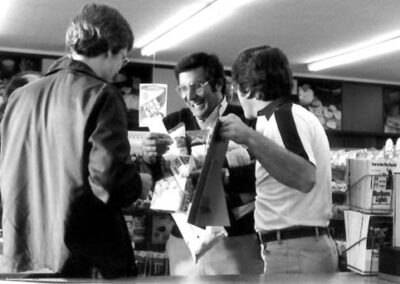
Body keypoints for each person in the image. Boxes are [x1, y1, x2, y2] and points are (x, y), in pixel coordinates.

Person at [0, 3, 152, 278]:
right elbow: (109, 181)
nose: (120, 69)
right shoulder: (102, 95)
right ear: (111, 50)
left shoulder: (19, 98)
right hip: (83, 260)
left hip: (22, 259)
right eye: (123, 59)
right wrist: (138, 183)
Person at [218, 45, 338, 274]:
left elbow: (304, 176)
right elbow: (278, 172)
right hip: (294, 248)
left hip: (295, 250)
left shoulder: (284, 116)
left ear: (248, 88)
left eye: (236, 87)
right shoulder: (275, 119)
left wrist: (248, 136)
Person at [143, 52, 263, 275]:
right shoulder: (170, 125)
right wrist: (149, 158)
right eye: (183, 88)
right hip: (184, 242)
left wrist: (224, 175)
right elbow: (156, 181)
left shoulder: (246, 121)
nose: (190, 96)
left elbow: (264, 175)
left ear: (218, 84)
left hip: (239, 240)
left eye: (197, 86)